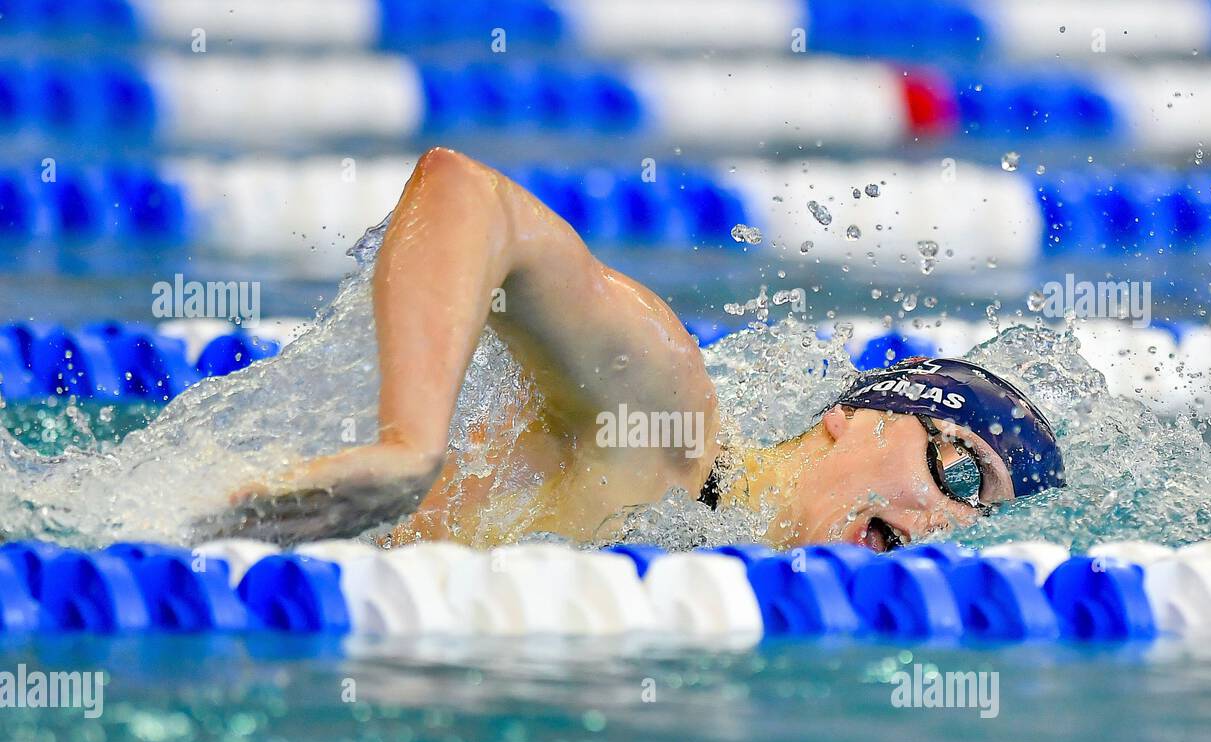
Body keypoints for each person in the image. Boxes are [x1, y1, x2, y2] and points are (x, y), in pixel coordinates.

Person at [207, 148, 1064, 551]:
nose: (945, 527)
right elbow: (465, 195)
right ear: (854, 421)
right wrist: (407, 446)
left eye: (978, 524)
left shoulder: (712, 556)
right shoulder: (662, 428)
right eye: (959, 472)